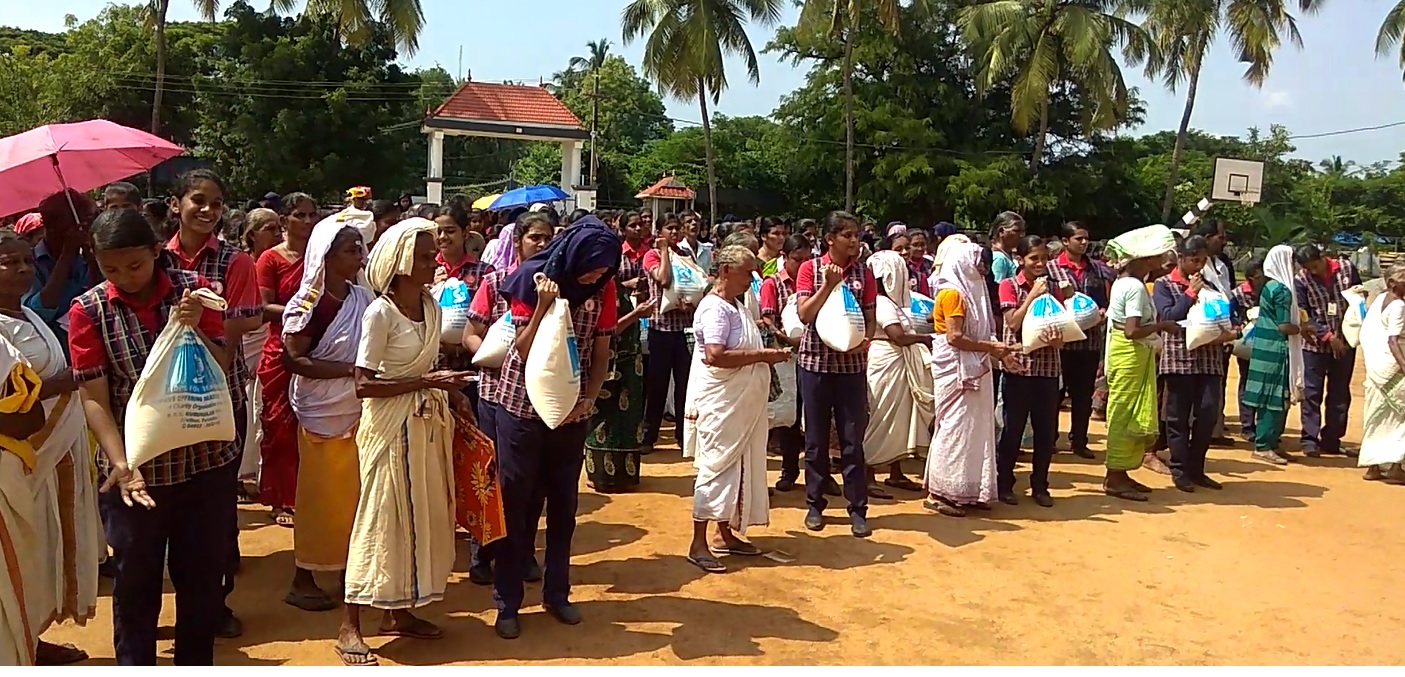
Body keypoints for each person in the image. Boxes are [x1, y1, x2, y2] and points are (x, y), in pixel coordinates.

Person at [69, 207, 236, 665]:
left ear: (156, 251)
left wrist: (198, 324)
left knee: (202, 584)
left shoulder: (193, 295)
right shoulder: (89, 311)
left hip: (203, 465)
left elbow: (221, 368)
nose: (125, 276)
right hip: (134, 476)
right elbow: (95, 396)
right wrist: (121, 465)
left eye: (135, 265)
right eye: (111, 268)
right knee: (136, 586)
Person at [339, 218, 470, 665]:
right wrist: (425, 381)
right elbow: (362, 384)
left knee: (421, 517)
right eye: (423, 254)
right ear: (398, 262)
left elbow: (428, 368)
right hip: (388, 428)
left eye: (433, 252)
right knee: (378, 520)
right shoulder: (380, 313)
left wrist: (451, 395)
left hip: (426, 426)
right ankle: (349, 626)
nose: (434, 259)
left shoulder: (431, 307)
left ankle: (401, 612)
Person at [491, 216, 620, 640]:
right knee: (515, 503)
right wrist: (545, 306)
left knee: (563, 507)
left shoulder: (603, 288)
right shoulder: (532, 278)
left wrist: (590, 396)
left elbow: (601, 348)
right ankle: (507, 602)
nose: (597, 275)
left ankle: (557, 593)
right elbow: (521, 348)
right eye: (592, 266)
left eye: (605, 269)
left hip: (572, 411)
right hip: (522, 407)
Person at [161, 168, 260, 638]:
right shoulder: (155, 261)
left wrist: (196, 322)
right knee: (169, 503)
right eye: (197, 200)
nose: (206, 210)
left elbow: (235, 336)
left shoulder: (235, 264)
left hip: (220, 395)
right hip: (166, 400)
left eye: (216, 203)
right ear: (175, 204)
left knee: (217, 506)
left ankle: (214, 603)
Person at [0, 229, 97, 665]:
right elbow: (14, 400)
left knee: (43, 551)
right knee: (18, 557)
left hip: (54, 453)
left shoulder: (27, 314)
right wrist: (68, 379)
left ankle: (32, 638)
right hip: (20, 459)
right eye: (9, 263)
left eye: (25, 261)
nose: (22, 269)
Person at [280, 215, 372, 613]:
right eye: (351, 250)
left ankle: (344, 571)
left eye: (359, 248)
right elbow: (295, 359)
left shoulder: (361, 298)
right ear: (327, 256)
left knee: (352, 496)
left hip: (355, 409)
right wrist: (349, 372)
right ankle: (303, 578)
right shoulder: (307, 305)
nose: (359, 256)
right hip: (322, 413)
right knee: (319, 499)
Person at [683, 245, 786, 574]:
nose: (751, 280)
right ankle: (698, 543)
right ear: (726, 271)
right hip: (723, 403)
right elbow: (715, 355)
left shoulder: (735, 305)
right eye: (746, 273)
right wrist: (763, 356)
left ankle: (724, 533)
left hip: (742, 405)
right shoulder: (716, 309)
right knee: (716, 467)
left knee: (739, 466)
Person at [462, 213, 551, 586]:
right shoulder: (496, 283)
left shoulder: (556, 290)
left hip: (537, 401)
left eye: (548, 238)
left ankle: (523, 551)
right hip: (494, 397)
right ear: (517, 243)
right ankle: (484, 551)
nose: (542, 245)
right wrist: (492, 360)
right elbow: (471, 332)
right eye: (534, 238)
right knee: (491, 476)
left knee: (533, 482)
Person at [794, 211, 878, 537]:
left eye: (857, 235)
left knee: (852, 442)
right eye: (847, 235)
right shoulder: (810, 270)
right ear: (830, 239)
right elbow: (804, 315)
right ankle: (814, 505)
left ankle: (858, 508)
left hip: (851, 369)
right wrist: (828, 286)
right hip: (815, 366)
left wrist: (866, 341)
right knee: (815, 441)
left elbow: (870, 316)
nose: (854, 241)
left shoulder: (864, 273)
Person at [924, 242, 1017, 516]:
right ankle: (939, 492)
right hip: (957, 369)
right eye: (980, 264)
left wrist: (997, 353)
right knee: (954, 427)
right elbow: (954, 337)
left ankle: (966, 489)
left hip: (972, 367)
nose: (984, 270)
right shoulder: (954, 293)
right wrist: (991, 349)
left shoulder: (968, 292)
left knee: (972, 428)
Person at [1100, 225, 1179, 500]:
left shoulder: (1123, 282)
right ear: (1147, 260)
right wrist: (1164, 325)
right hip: (1130, 356)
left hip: (1127, 357)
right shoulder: (1134, 287)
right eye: (1159, 257)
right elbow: (1131, 330)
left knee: (1125, 413)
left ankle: (1121, 473)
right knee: (1125, 415)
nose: (1163, 262)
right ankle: (1115, 477)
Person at [1153, 236, 1236, 493]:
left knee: (1208, 413)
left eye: (1202, 261)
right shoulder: (1164, 284)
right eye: (1193, 260)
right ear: (1181, 258)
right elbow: (1168, 316)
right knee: (1178, 418)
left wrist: (1230, 331)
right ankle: (1179, 470)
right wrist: (1190, 293)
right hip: (1179, 360)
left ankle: (1197, 468)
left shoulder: (1211, 285)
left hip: (1209, 361)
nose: (1198, 266)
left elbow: (1226, 313)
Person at [256, 192, 317, 527]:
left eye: (311, 215)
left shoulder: (322, 257)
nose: (307, 222)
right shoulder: (270, 259)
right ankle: (281, 499)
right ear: (284, 221)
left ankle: (310, 493)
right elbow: (264, 307)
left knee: (314, 424)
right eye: (299, 215)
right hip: (280, 350)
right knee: (279, 426)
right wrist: (303, 311)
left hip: (316, 348)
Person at [995, 235, 1064, 507]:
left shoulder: (1054, 288)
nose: (1040, 263)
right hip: (1019, 368)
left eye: (1044, 258)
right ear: (1020, 259)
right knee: (1012, 430)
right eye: (1034, 258)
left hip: (1047, 369)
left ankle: (1040, 485)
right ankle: (1005, 484)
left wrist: (1060, 338)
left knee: (1045, 433)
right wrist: (1033, 295)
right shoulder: (1008, 286)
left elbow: (1061, 324)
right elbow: (1011, 323)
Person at [862, 251, 932, 497]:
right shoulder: (880, 303)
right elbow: (898, 336)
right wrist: (926, 338)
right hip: (885, 362)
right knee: (880, 416)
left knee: (898, 419)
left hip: (896, 363)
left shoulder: (889, 303)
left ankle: (896, 472)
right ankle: (868, 473)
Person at [759, 234, 820, 494]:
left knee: (815, 415)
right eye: (798, 259)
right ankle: (788, 470)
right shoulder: (772, 284)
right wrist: (783, 337)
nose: (803, 264)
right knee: (788, 416)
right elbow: (767, 319)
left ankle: (819, 473)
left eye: (807, 259)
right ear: (784, 257)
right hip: (785, 356)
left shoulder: (815, 283)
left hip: (813, 354)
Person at [585, 274, 656, 493]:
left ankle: (624, 475)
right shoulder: (599, 288)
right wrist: (637, 314)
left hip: (627, 364)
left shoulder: (611, 283)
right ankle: (602, 476)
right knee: (605, 419)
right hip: (611, 363)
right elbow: (608, 330)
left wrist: (628, 288)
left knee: (627, 420)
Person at [1048, 220, 1109, 460]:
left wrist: (1103, 312)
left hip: (1089, 341)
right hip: (1060, 344)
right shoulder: (1051, 269)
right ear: (1065, 241)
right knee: (1055, 394)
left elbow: (1105, 299)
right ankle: (1050, 439)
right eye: (1078, 238)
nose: (1084, 243)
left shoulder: (1097, 269)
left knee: (1083, 395)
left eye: (1086, 238)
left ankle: (1079, 441)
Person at [1294, 244, 1362, 458]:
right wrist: (1327, 336)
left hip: (1345, 341)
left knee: (1340, 393)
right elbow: (1304, 313)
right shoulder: (1301, 280)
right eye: (1308, 269)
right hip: (1314, 345)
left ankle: (1332, 439)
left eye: (1315, 266)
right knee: (1312, 393)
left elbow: (1358, 297)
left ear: (1323, 257)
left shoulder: (1347, 269)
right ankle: (1309, 440)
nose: (1313, 272)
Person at [1244, 245, 1305, 464]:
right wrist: (1304, 329)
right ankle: (1264, 445)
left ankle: (1271, 442)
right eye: (1292, 261)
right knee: (1275, 398)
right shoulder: (1281, 290)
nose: (1296, 266)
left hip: (1265, 347)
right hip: (1276, 349)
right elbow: (1284, 326)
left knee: (1272, 398)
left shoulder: (1269, 286)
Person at [642, 214, 697, 450]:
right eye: (669, 228)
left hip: (683, 328)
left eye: (677, 229)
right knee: (657, 385)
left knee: (685, 385)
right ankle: (649, 435)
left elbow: (696, 284)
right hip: (661, 327)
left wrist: (691, 303)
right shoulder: (651, 255)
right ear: (659, 231)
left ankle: (683, 436)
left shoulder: (686, 256)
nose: (675, 233)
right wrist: (665, 251)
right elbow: (663, 279)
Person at [23, 189, 100, 356]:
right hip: (56, 350)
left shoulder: (86, 256)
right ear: (51, 228)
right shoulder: (29, 262)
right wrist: (67, 255)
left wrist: (92, 257)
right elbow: (37, 313)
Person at [1357, 264, 1405, 482]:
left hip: (1376, 366)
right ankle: (1395, 467)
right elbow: (1393, 340)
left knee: (1375, 414)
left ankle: (1373, 466)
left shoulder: (1379, 300)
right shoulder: (1398, 306)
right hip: (1392, 369)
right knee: (1399, 418)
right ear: (1393, 283)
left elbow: (1367, 332)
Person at [1228, 257, 1265, 442]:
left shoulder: (1269, 291)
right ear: (1250, 277)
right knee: (1247, 382)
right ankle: (1247, 425)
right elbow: (1231, 317)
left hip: (1268, 344)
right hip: (1247, 346)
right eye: (1258, 276)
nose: (1262, 279)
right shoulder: (1238, 294)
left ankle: (1264, 425)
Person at [988, 212, 1024, 283]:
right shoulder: (999, 258)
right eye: (1016, 231)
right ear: (1001, 231)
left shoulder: (1008, 256)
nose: (1021, 235)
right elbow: (997, 288)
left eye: (1022, 231)